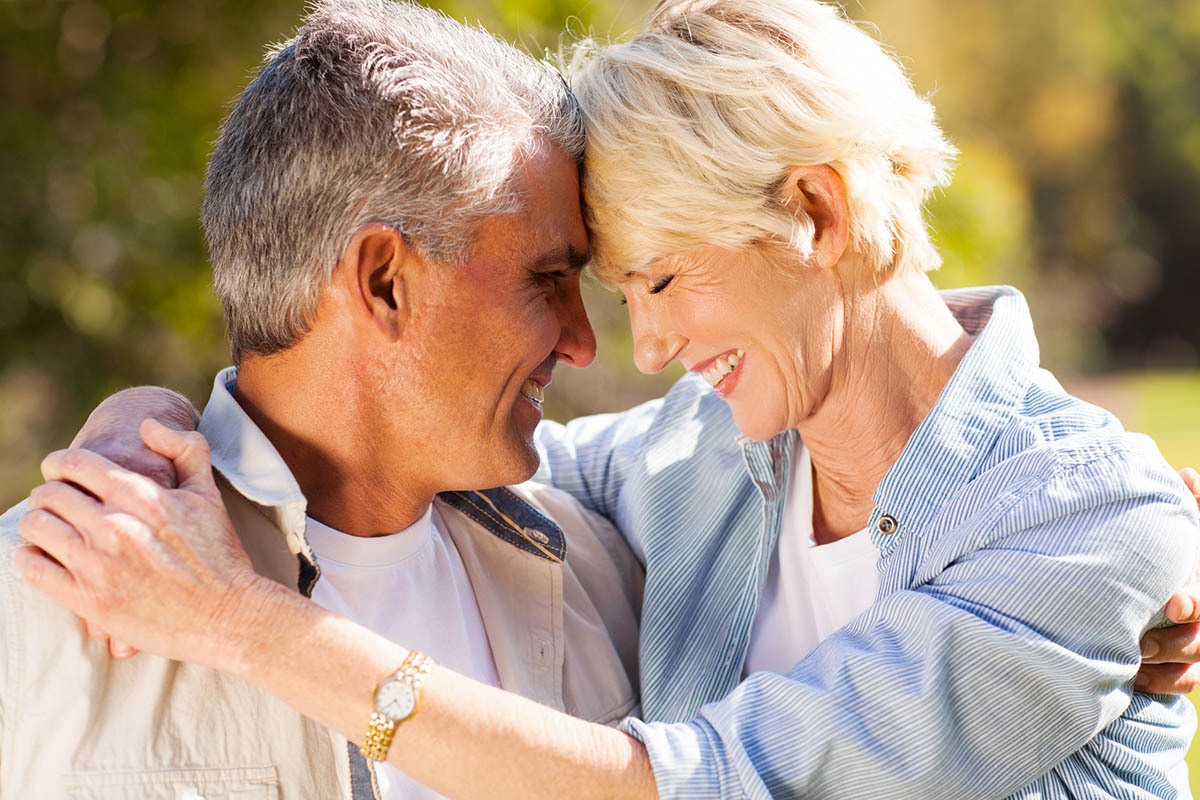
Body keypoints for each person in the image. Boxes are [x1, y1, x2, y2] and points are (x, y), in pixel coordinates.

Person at [19, 0, 1200, 797]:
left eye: (665, 278)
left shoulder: (1087, 521)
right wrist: (146, 425)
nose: (629, 342)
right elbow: (395, 444)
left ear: (820, 215)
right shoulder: (681, 467)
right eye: (590, 283)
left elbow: (698, 782)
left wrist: (240, 622)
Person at [0, 1, 643, 797]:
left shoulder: (599, 572)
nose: (582, 341)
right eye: (547, 279)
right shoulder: (34, 604)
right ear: (383, 281)